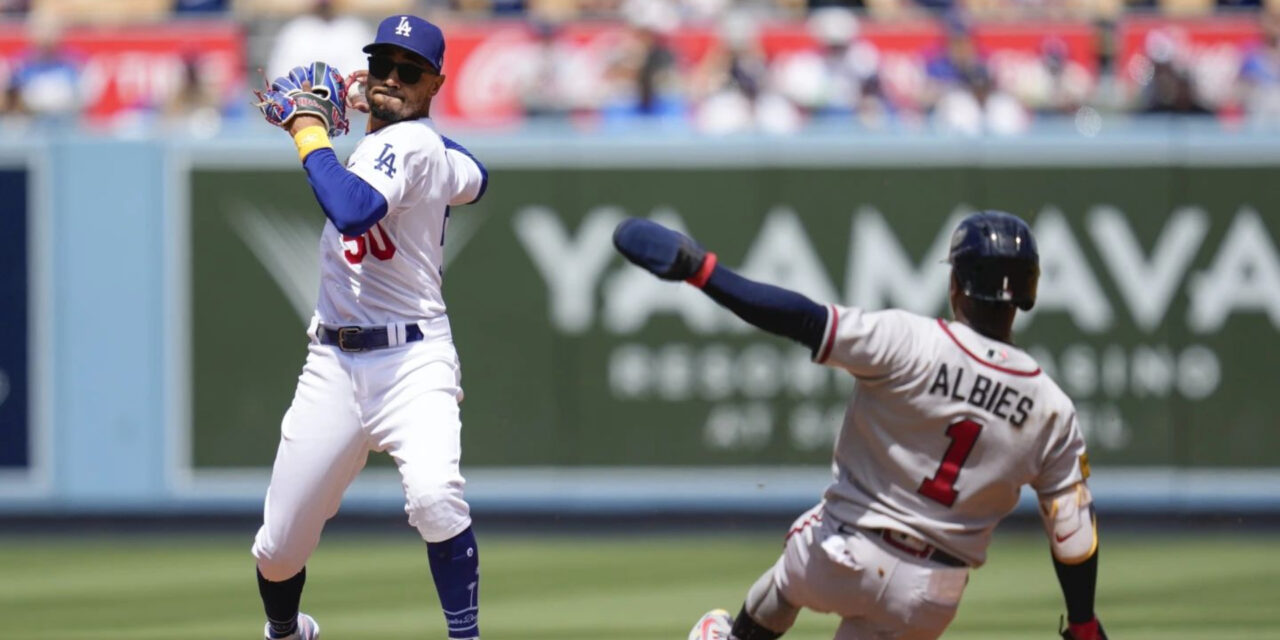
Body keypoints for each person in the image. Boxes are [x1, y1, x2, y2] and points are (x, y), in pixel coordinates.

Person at [611, 212, 1105, 640]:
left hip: (840, 554)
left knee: (787, 580)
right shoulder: (1052, 408)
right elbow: (1072, 536)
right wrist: (1082, 623)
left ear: (955, 283)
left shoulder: (911, 342)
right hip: (933, 593)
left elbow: (799, 318)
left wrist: (704, 272)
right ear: (1028, 292)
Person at [250, 14, 488, 640]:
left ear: (435, 82)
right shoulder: (424, 149)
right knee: (276, 552)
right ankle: (286, 632)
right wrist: (381, 115)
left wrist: (307, 131)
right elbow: (478, 178)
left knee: (437, 498)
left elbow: (352, 210)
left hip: (413, 360)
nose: (391, 78)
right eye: (381, 65)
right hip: (331, 361)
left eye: (408, 72)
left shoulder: (410, 145)